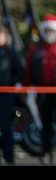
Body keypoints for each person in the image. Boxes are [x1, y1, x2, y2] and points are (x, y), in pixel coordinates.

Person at [21, 13, 56, 164]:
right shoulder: (36, 49)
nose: (49, 33)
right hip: (43, 91)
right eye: (47, 30)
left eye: (52, 30)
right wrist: (25, 88)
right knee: (45, 123)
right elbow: (28, 70)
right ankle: (46, 152)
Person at [0, 26, 25, 165]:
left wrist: (9, 83)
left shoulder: (10, 53)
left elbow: (20, 71)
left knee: (5, 125)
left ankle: (9, 157)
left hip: (5, 94)